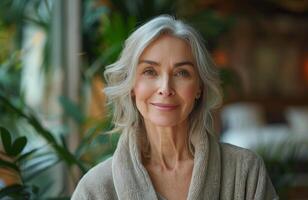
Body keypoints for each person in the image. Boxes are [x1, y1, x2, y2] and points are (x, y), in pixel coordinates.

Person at [71, 15, 278, 200]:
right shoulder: (95, 189)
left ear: (199, 87)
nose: (165, 88)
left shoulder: (245, 172)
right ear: (132, 86)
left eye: (182, 73)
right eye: (150, 71)